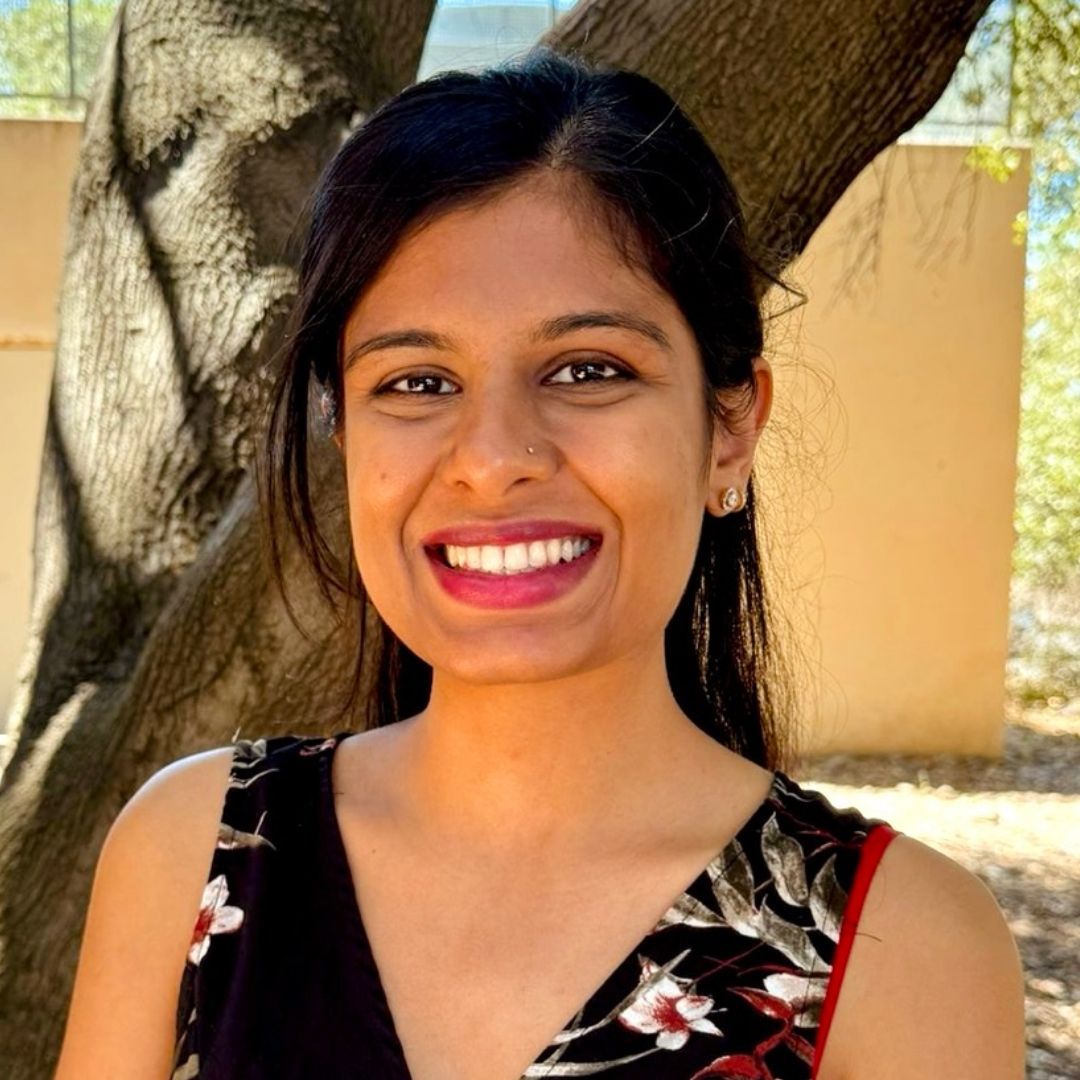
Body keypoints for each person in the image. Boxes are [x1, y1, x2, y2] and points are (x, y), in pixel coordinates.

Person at [54, 45, 1025, 1080]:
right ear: (346, 437)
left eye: (588, 369)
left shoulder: (903, 947)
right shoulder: (193, 853)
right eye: (418, 383)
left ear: (729, 427)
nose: (493, 459)